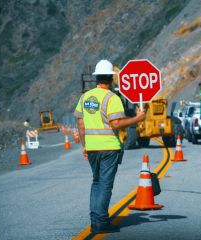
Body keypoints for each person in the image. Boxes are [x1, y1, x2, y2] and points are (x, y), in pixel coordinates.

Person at [74, 59, 146, 234]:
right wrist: (138, 118)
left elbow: (81, 125)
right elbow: (116, 124)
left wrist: (84, 146)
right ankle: (101, 223)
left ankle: (95, 221)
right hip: (108, 148)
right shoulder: (112, 98)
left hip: (91, 148)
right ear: (111, 78)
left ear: (97, 77)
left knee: (96, 182)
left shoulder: (85, 97)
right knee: (105, 184)